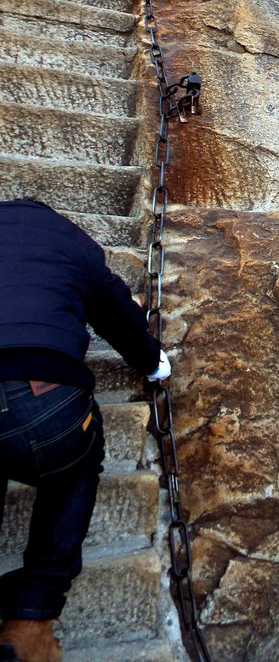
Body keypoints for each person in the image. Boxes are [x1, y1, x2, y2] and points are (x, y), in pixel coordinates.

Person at [0, 199, 171, 662]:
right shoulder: (70, 241)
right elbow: (118, 313)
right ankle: (31, 618)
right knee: (76, 460)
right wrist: (155, 363)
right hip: (43, 397)